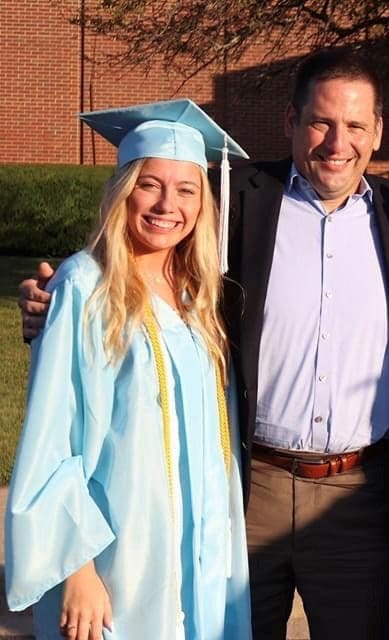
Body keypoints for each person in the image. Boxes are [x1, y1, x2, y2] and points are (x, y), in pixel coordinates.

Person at [19, 49, 389, 639]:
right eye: (320, 122)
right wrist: (55, 303)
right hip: (248, 488)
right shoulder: (234, 197)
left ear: (377, 131)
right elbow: (138, 247)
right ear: (291, 122)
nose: (337, 142)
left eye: (354, 125)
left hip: (359, 499)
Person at [6, 99, 252, 640]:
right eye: (150, 184)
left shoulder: (197, 297)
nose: (168, 205)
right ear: (123, 191)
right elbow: (54, 436)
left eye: (186, 190)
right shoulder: (85, 286)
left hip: (200, 553)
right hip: (118, 558)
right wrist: (77, 569)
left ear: (204, 203)